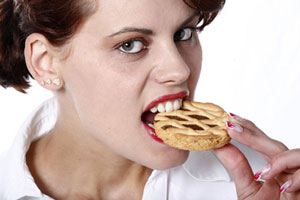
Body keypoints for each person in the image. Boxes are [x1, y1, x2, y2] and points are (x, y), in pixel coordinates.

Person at [0, 0, 299, 199]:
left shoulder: (264, 184)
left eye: (184, 32)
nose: (180, 70)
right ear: (44, 62)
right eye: (130, 45)